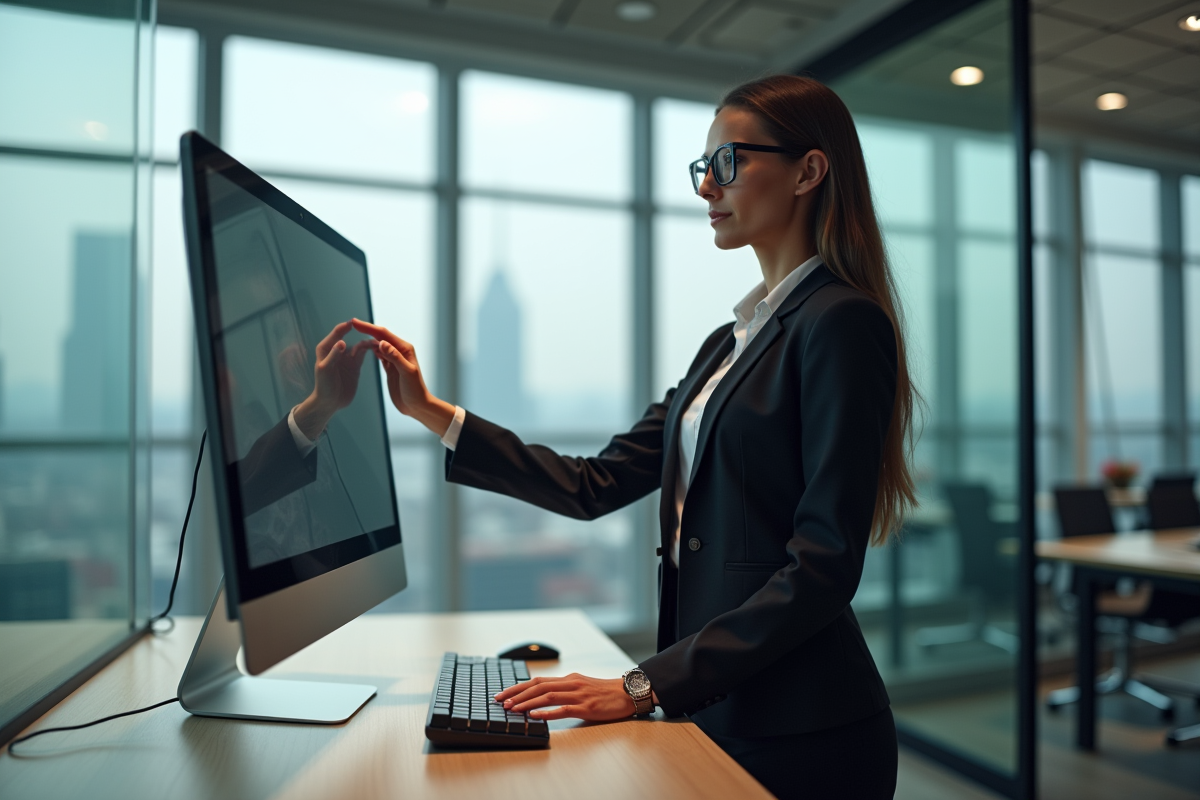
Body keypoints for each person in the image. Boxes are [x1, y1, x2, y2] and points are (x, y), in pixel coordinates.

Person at [355, 74, 917, 800]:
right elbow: (595, 485)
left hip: (803, 731)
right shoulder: (727, 343)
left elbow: (823, 568)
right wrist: (433, 412)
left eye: (728, 163)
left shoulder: (841, 322)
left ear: (808, 170)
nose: (706, 187)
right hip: (715, 710)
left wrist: (642, 684)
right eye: (703, 167)